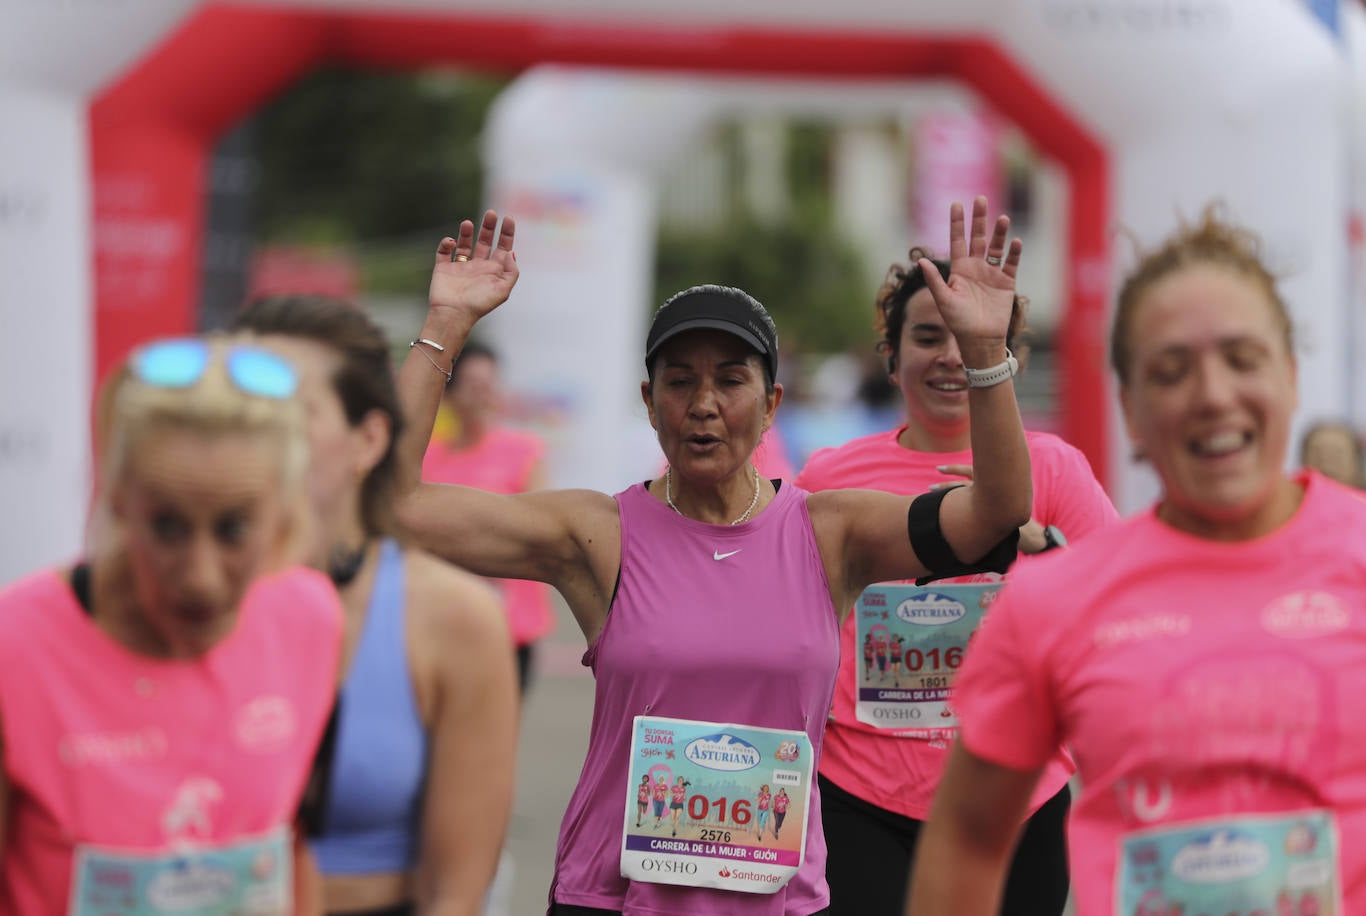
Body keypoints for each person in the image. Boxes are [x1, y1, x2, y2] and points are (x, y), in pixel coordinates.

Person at [394, 198, 1033, 916]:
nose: (703, 403)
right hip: (612, 899)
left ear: (771, 404)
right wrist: (444, 325)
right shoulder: (598, 535)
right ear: (649, 400)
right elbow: (397, 506)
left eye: (731, 380)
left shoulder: (830, 532)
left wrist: (984, 354)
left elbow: (995, 513)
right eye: (679, 381)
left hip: (778, 902)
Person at [906, 209, 1366, 915]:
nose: (1214, 396)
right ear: (1130, 407)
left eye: (1243, 359)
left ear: (1292, 377)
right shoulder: (1054, 602)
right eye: (1173, 371)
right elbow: (968, 836)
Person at [794, 248, 1118, 915]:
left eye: (970, 337)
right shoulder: (829, 476)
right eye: (926, 336)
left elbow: (1121, 610)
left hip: (1014, 795)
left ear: (1008, 353)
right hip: (860, 796)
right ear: (890, 351)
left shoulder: (1052, 469)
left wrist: (1042, 548)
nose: (950, 355)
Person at [0, 335, 343, 913]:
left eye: (233, 530)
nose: (201, 578)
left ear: (282, 512)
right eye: (168, 527)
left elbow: (293, 845)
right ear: (120, 499)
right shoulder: (13, 649)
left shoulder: (308, 619)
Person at [231, 295, 519, 916]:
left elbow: (455, 895)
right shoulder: (167, 595)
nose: (255, 434)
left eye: (288, 413)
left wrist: (444, 328)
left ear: (367, 439)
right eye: (238, 410)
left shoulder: (450, 617)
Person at [421, 339, 558, 693]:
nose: (484, 395)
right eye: (473, 385)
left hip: (509, 625)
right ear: (450, 393)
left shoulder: (524, 451)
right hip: (442, 619)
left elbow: (541, 531)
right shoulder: (430, 458)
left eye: (489, 384)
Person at [1298, 419, 1363, 489]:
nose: (1328, 465)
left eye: (1337, 455)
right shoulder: (1290, 496)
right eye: (1319, 455)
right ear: (1303, 459)